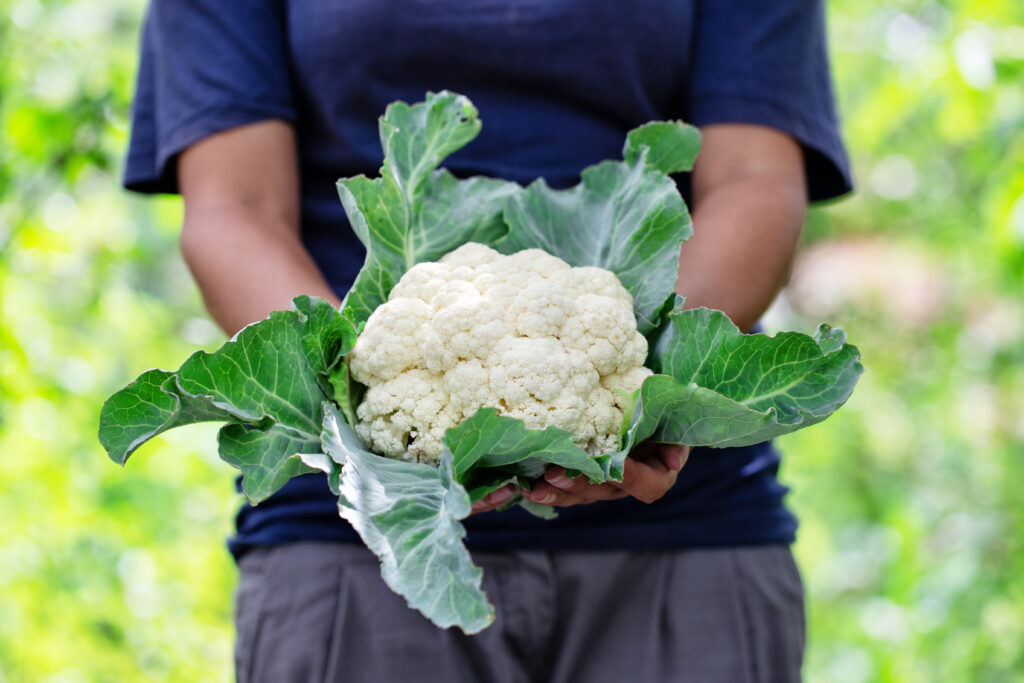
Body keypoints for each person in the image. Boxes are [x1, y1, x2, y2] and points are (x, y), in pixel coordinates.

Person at [123, 1, 851, 680]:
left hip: (682, 539)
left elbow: (756, 181)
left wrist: (639, 398)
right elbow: (234, 207)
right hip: (359, 541)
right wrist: (356, 406)